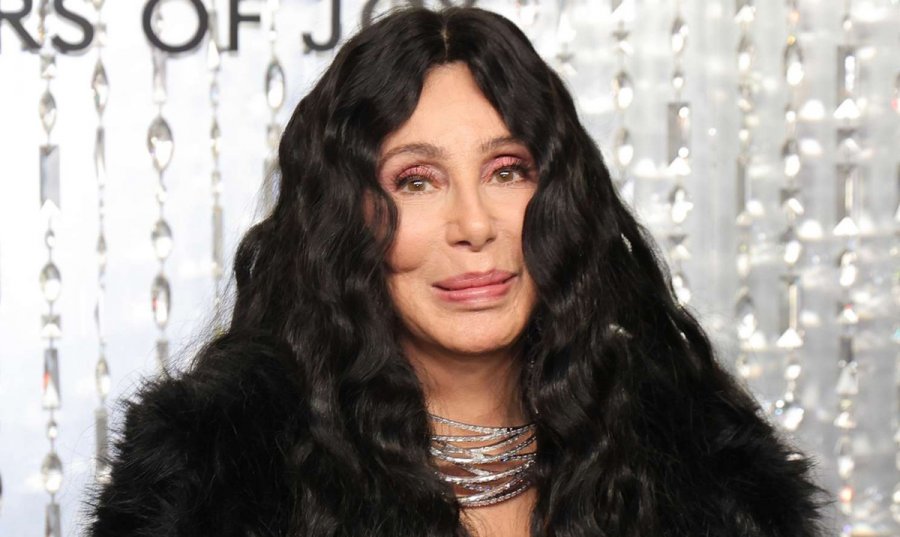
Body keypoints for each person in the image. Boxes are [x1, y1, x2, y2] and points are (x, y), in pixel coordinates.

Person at [85, 6, 827, 537]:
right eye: (416, 182)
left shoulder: (698, 460)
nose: (474, 225)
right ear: (343, 220)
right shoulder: (219, 477)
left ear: (561, 198)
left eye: (507, 171)